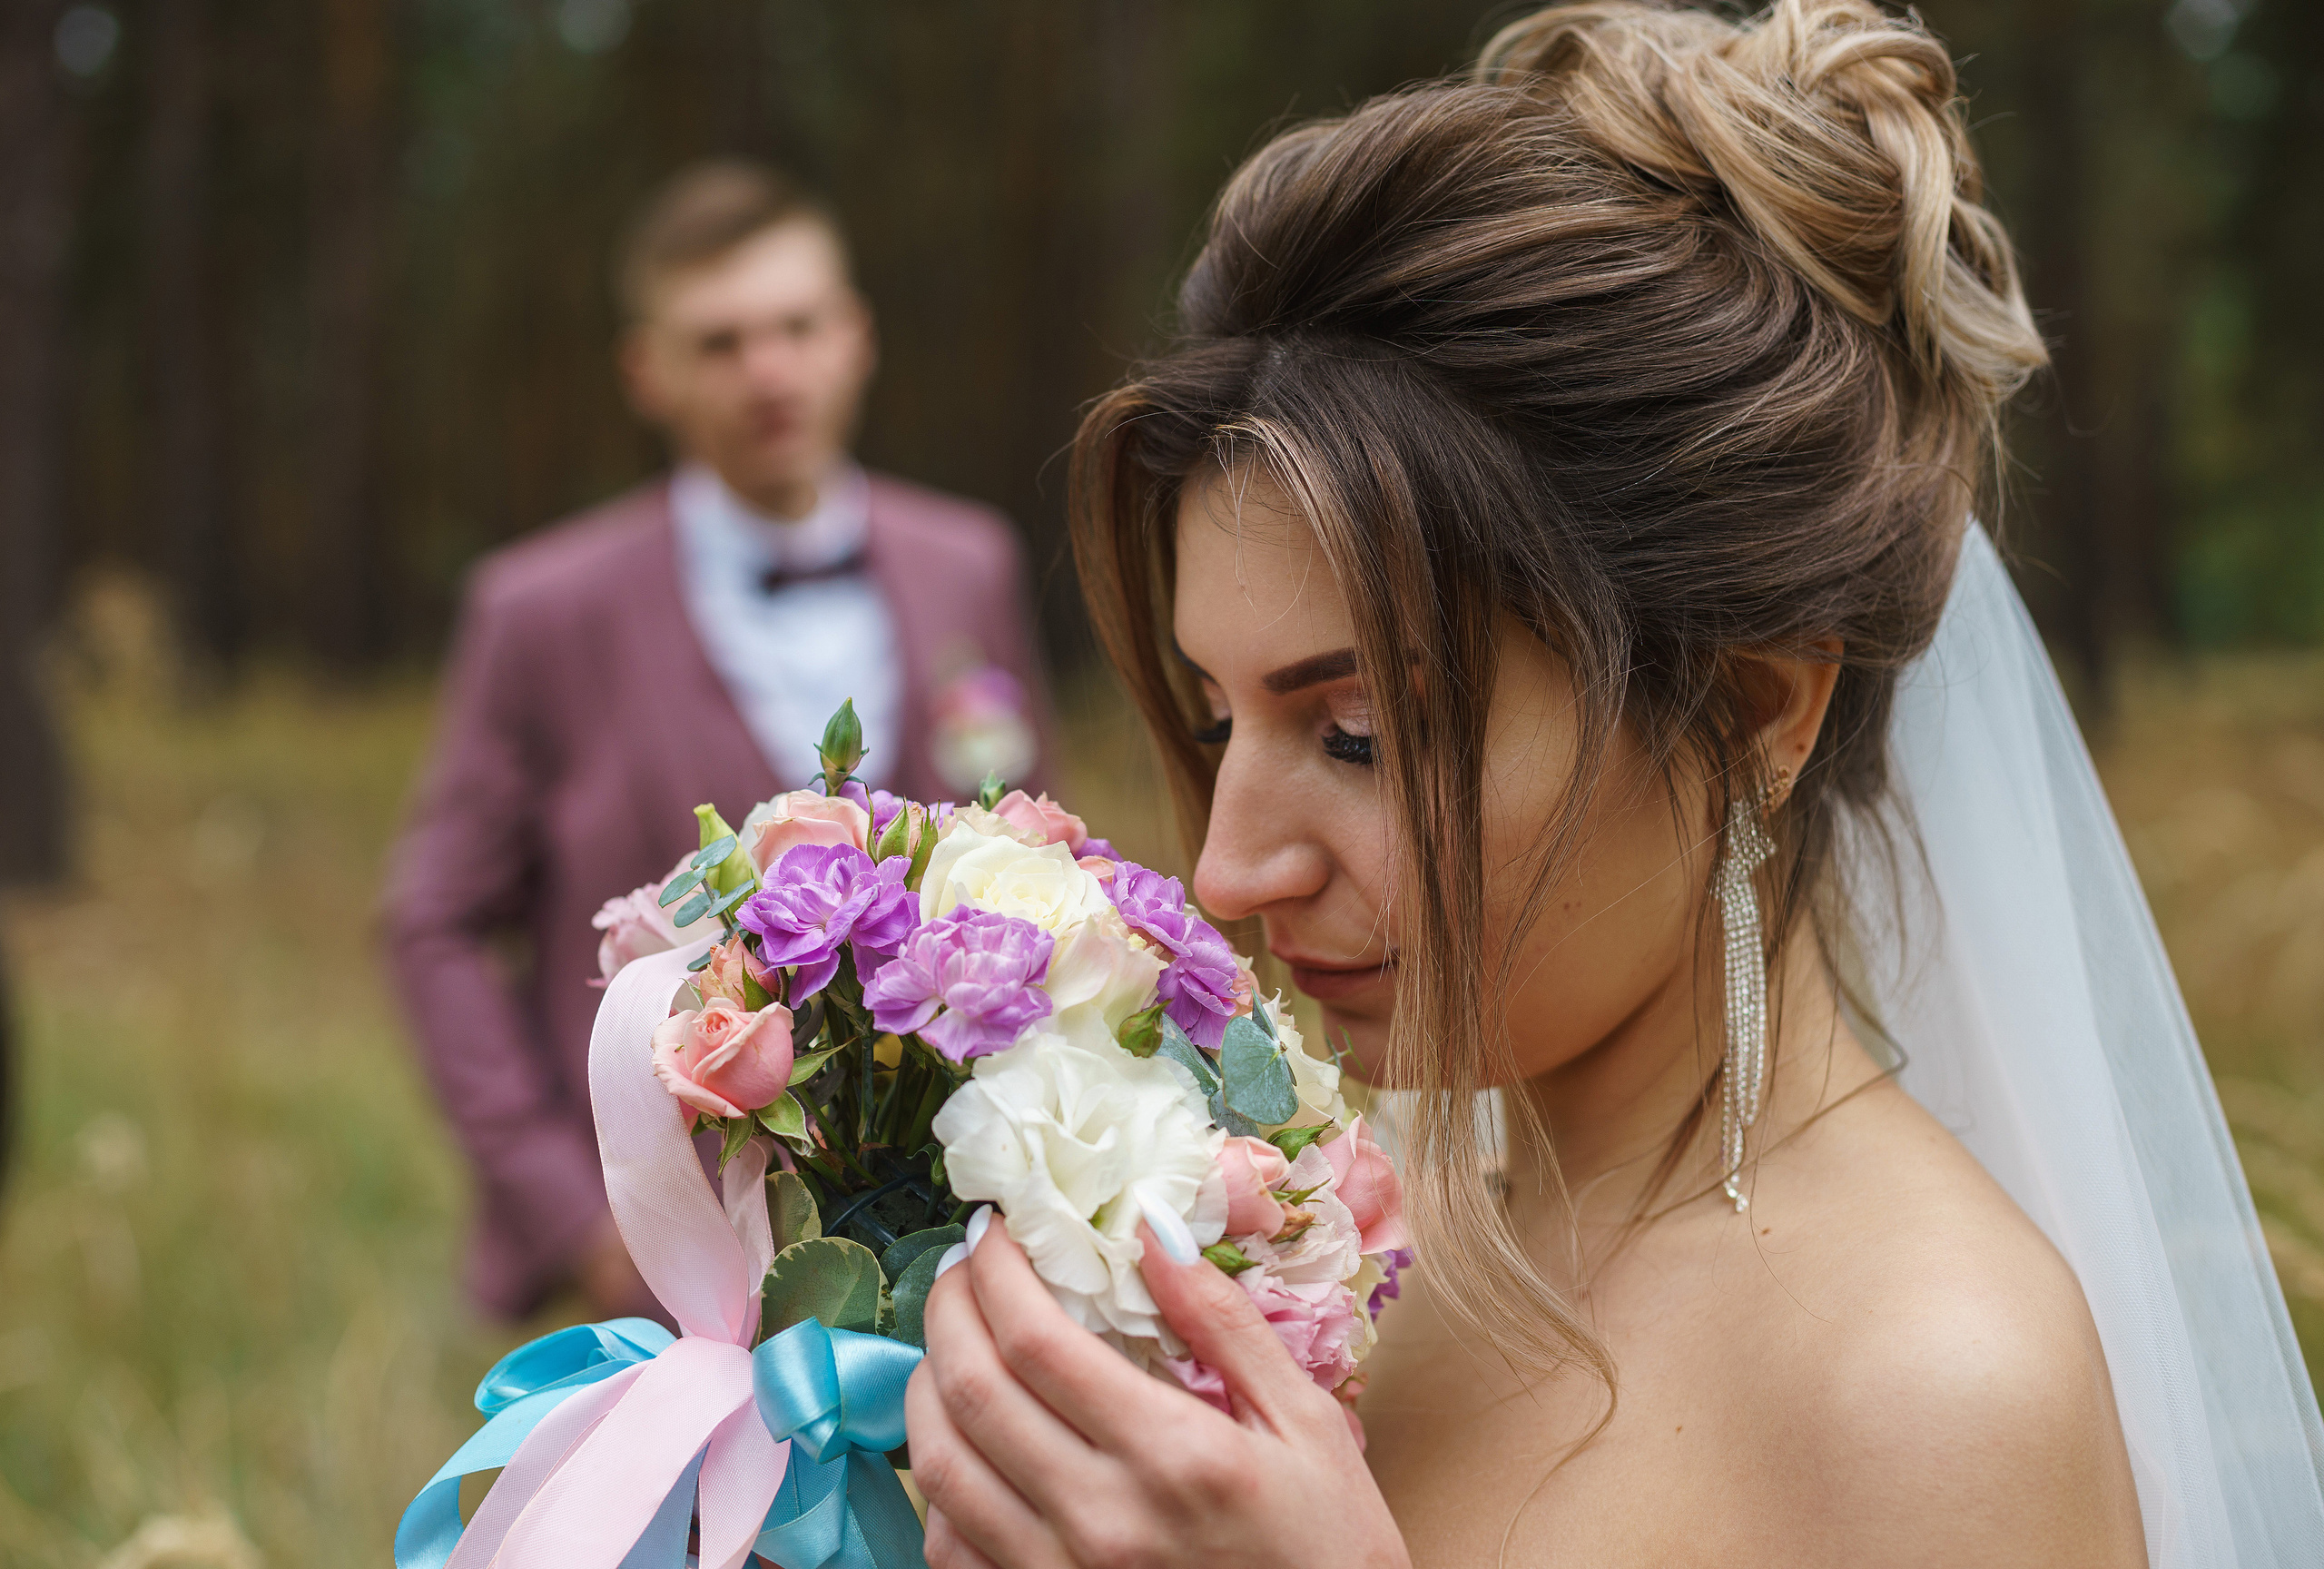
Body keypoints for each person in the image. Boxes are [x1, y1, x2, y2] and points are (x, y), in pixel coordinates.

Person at [903, 3, 2324, 1566]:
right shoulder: (1349, 1246)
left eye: (1363, 732)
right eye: (1212, 714)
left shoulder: (1932, 1384)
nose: (1229, 870)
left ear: (1754, 709)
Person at [384, 160, 1053, 1323]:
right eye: (720, 341)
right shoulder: (540, 612)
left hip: (951, 1253)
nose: (768, 370)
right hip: (657, 1277)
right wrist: (572, 1208)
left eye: (796, 326)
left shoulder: (968, 565)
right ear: (648, 370)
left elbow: (1034, 871)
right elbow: (431, 922)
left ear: (855, 336)